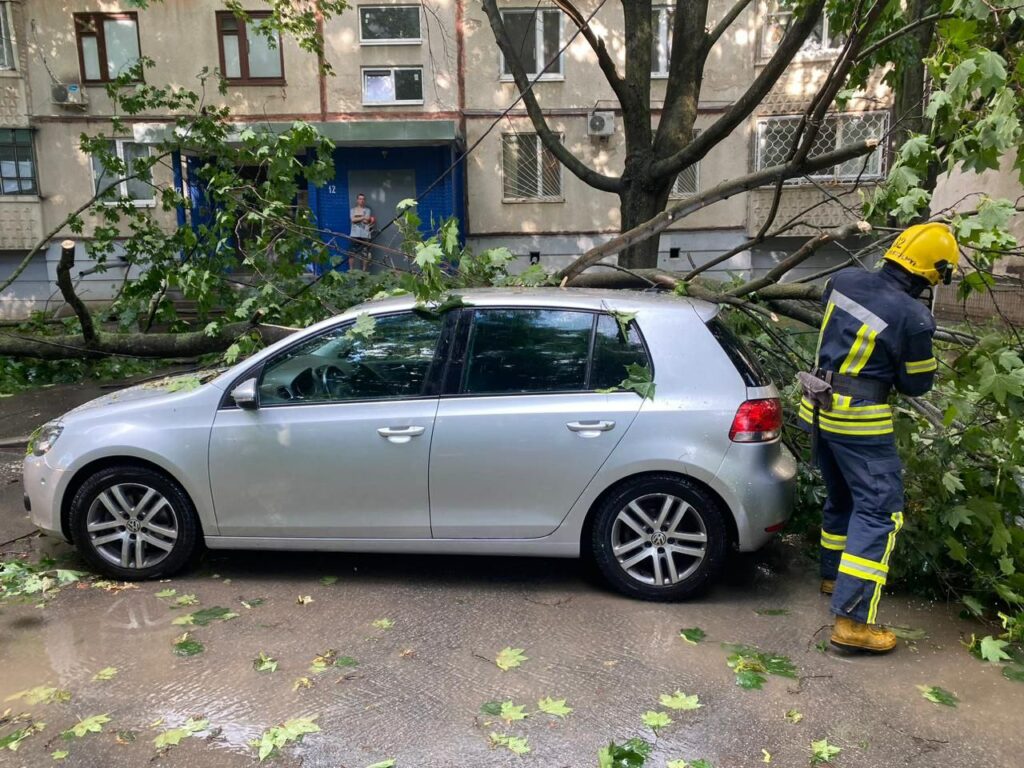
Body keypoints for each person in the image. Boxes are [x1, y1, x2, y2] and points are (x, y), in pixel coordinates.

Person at [798, 223, 959, 654]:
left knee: (843, 499)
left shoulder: (844, 279)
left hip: (817, 405)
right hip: (859, 421)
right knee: (879, 513)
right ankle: (852, 621)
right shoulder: (914, 315)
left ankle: (834, 577)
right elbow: (917, 385)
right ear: (932, 271)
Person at [350, 193, 375, 271]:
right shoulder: (352, 210)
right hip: (354, 234)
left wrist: (357, 217)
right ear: (357, 200)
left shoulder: (367, 210)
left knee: (365, 253)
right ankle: (351, 270)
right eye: (360, 199)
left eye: (363, 199)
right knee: (351, 253)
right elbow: (353, 220)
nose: (362, 200)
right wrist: (363, 217)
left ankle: (364, 271)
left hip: (365, 234)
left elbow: (366, 220)